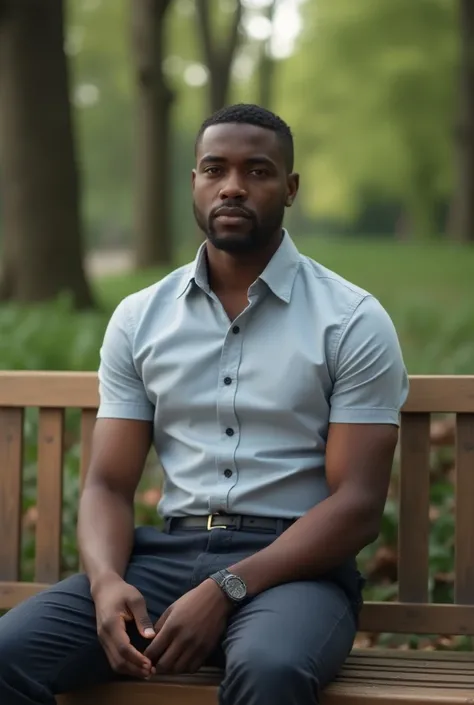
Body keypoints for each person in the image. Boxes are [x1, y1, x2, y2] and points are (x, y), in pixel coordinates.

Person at [0, 103, 409, 705]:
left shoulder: (350, 321)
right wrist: (107, 582)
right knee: (9, 654)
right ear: (194, 181)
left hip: (294, 572)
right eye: (214, 169)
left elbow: (357, 506)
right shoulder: (141, 318)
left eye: (259, 171)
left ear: (290, 188)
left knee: (269, 670)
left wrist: (227, 587)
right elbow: (107, 487)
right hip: (161, 561)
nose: (233, 187)